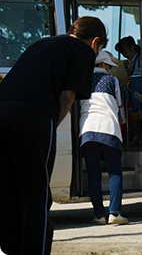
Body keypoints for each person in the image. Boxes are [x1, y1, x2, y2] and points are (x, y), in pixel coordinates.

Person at [0, 16, 107, 255]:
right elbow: (67, 97)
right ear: (96, 42)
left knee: (7, 192)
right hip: (31, 116)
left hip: (3, 108)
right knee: (34, 194)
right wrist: (50, 124)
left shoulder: (42, 43)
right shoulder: (83, 50)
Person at [79, 50, 128, 225]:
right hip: (109, 128)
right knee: (114, 171)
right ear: (104, 65)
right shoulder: (111, 79)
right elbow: (118, 106)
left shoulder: (82, 79)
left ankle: (99, 215)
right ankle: (115, 213)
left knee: (93, 173)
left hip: (87, 129)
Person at [115, 36, 142, 146]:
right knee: (134, 113)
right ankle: (136, 136)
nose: (124, 55)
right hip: (133, 91)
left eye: (125, 51)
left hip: (138, 89)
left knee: (139, 113)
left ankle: (139, 136)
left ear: (132, 47)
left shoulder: (141, 58)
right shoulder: (133, 60)